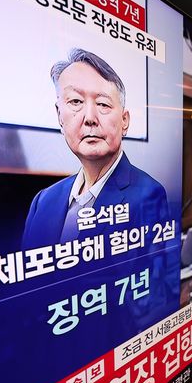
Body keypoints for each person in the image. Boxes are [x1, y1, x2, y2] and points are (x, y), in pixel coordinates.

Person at [23, 48, 168, 249]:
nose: (90, 118)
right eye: (76, 101)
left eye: (102, 104)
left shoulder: (148, 196)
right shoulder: (43, 201)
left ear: (125, 121)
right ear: (59, 116)